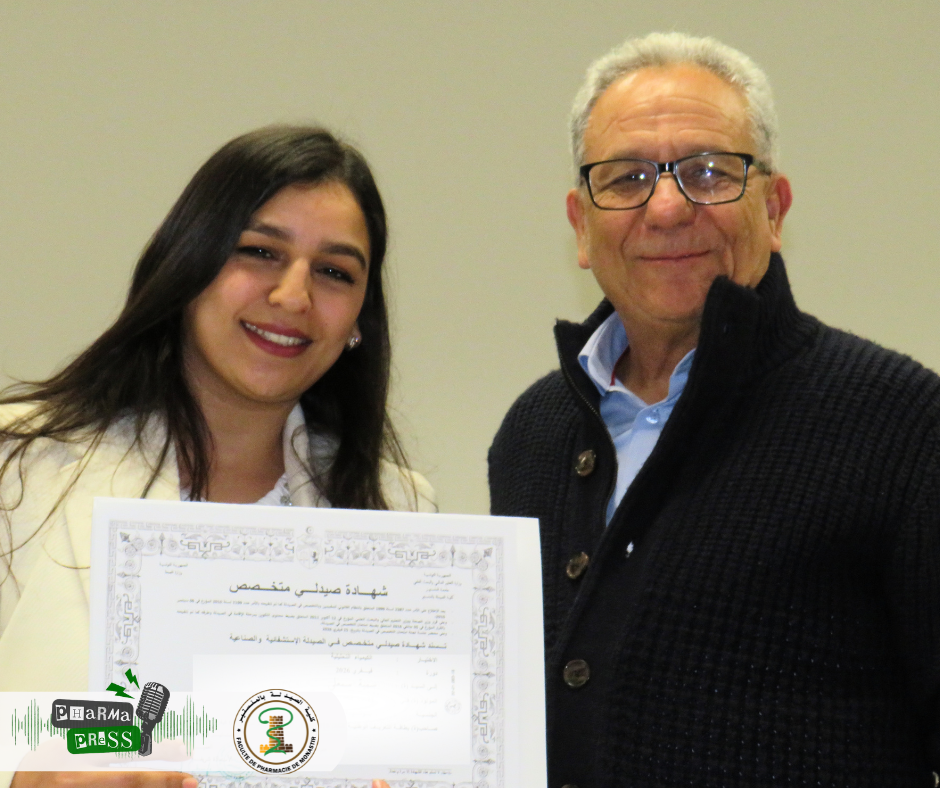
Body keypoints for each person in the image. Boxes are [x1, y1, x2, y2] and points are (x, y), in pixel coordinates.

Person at [489, 32, 940, 788]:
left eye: (708, 172)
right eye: (627, 178)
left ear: (774, 207)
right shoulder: (531, 435)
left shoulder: (906, 427)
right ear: (581, 225)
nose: (667, 208)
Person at [0, 125, 434, 787]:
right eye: (259, 251)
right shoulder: (19, 468)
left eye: (334, 272)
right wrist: (26, 778)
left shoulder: (403, 513)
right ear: (188, 267)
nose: (293, 296)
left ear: (358, 323)